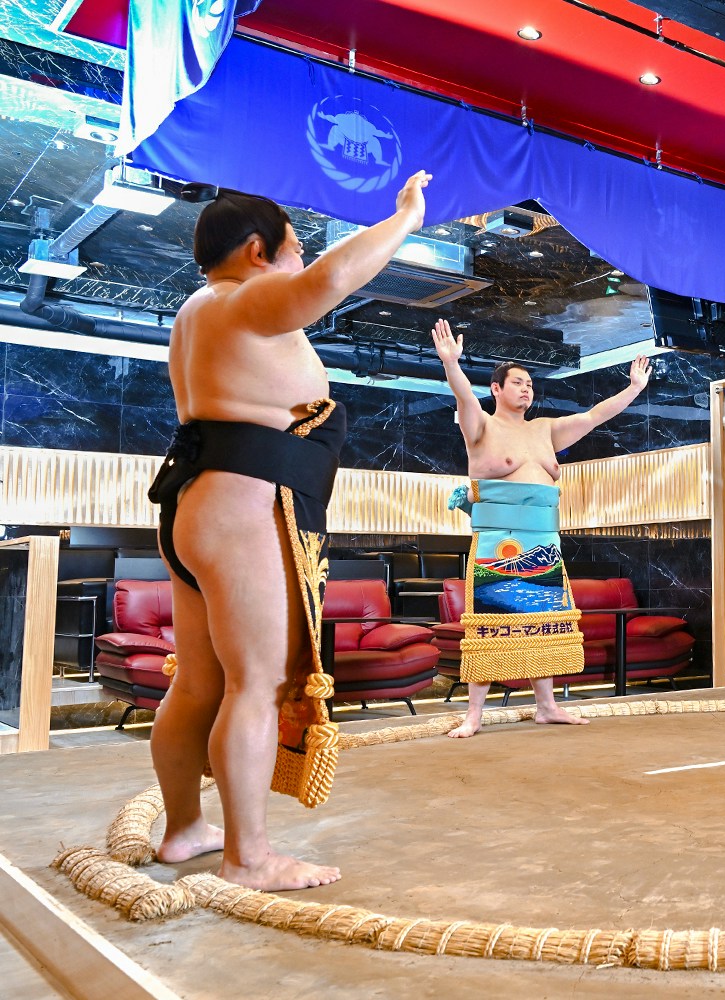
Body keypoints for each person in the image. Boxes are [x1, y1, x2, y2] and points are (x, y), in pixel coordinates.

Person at [148, 172, 433, 890]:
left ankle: (185, 829)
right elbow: (335, 277)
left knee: (199, 685)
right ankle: (250, 859)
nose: (302, 265)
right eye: (293, 251)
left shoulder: (197, 311)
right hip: (243, 506)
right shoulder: (244, 299)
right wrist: (405, 219)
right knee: (255, 683)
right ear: (255, 251)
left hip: (196, 506)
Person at [431, 319, 652, 738]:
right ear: (497, 389)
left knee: (545, 621)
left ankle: (547, 706)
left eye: (530, 382)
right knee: (491, 625)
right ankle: (473, 715)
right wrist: (450, 364)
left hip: (544, 542)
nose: (526, 388)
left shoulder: (546, 429)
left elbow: (594, 416)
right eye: (517, 382)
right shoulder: (480, 426)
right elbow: (462, 396)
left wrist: (634, 389)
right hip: (499, 541)